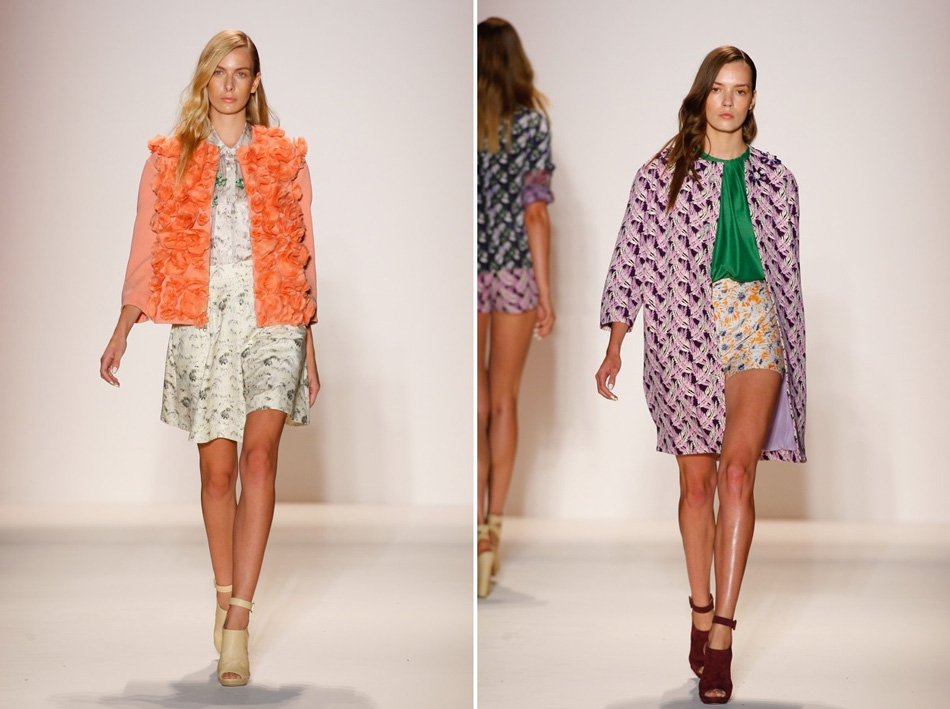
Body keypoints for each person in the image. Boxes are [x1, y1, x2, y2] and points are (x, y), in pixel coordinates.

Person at [99, 29, 320, 687]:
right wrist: (123, 327)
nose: (229, 84)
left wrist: (311, 343)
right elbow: (146, 249)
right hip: (201, 320)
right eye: (218, 72)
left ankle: (239, 624)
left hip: (275, 315)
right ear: (205, 80)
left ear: (256, 82)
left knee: (260, 458)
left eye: (240, 72)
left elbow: (303, 252)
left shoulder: (284, 158)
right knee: (218, 476)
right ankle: (224, 590)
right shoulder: (168, 159)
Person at [595, 46, 805, 704]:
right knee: (696, 485)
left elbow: (788, 274)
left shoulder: (778, 181)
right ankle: (699, 604)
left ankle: (722, 639)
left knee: (738, 473)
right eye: (718, 89)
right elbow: (630, 254)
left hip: (755, 325)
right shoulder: (661, 175)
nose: (728, 101)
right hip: (683, 330)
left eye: (740, 90)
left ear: (753, 99)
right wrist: (616, 342)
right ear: (702, 94)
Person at [476, 18, 555, 599]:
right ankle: (490, 532)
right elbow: (535, 212)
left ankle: (472, 528)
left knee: (474, 403)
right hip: (514, 271)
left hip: (468, 268)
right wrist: (546, 293)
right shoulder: (531, 124)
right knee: (503, 401)